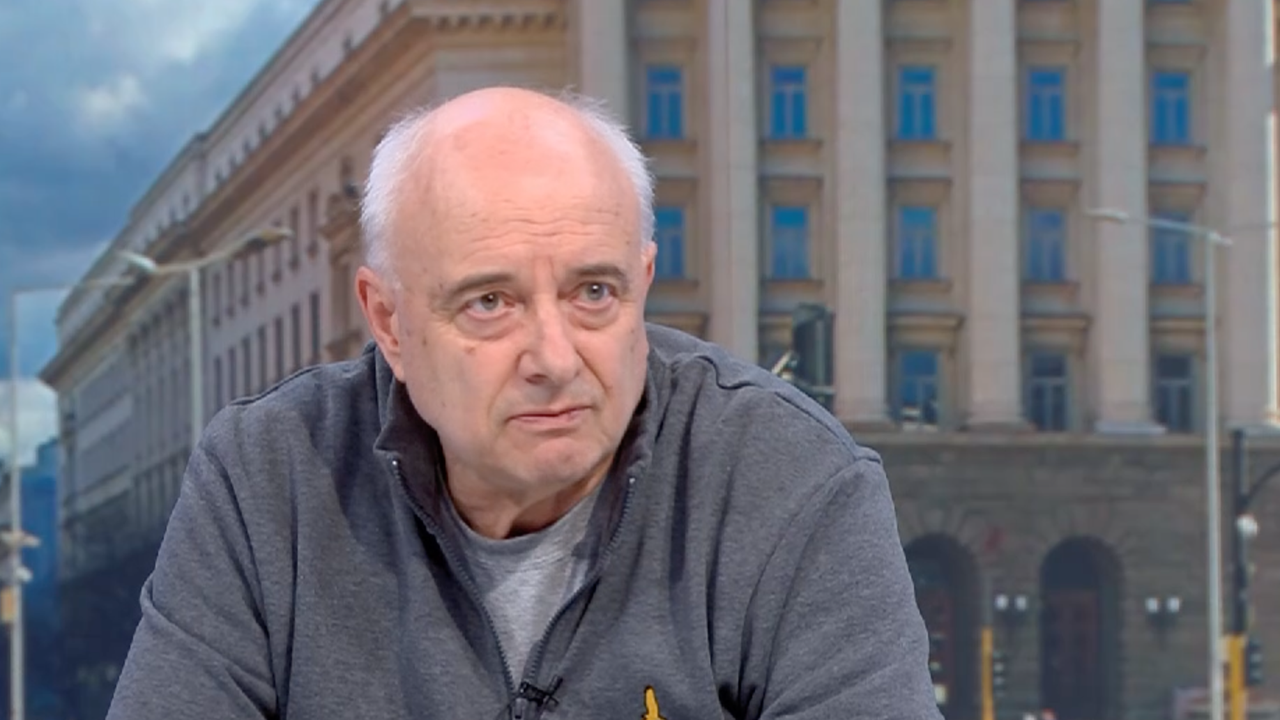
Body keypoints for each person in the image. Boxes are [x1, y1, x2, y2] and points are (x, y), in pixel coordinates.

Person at [106, 86, 940, 719]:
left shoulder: (794, 483)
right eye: (489, 303)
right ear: (388, 320)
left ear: (643, 283)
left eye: (594, 292)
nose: (554, 358)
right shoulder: (269, 477)